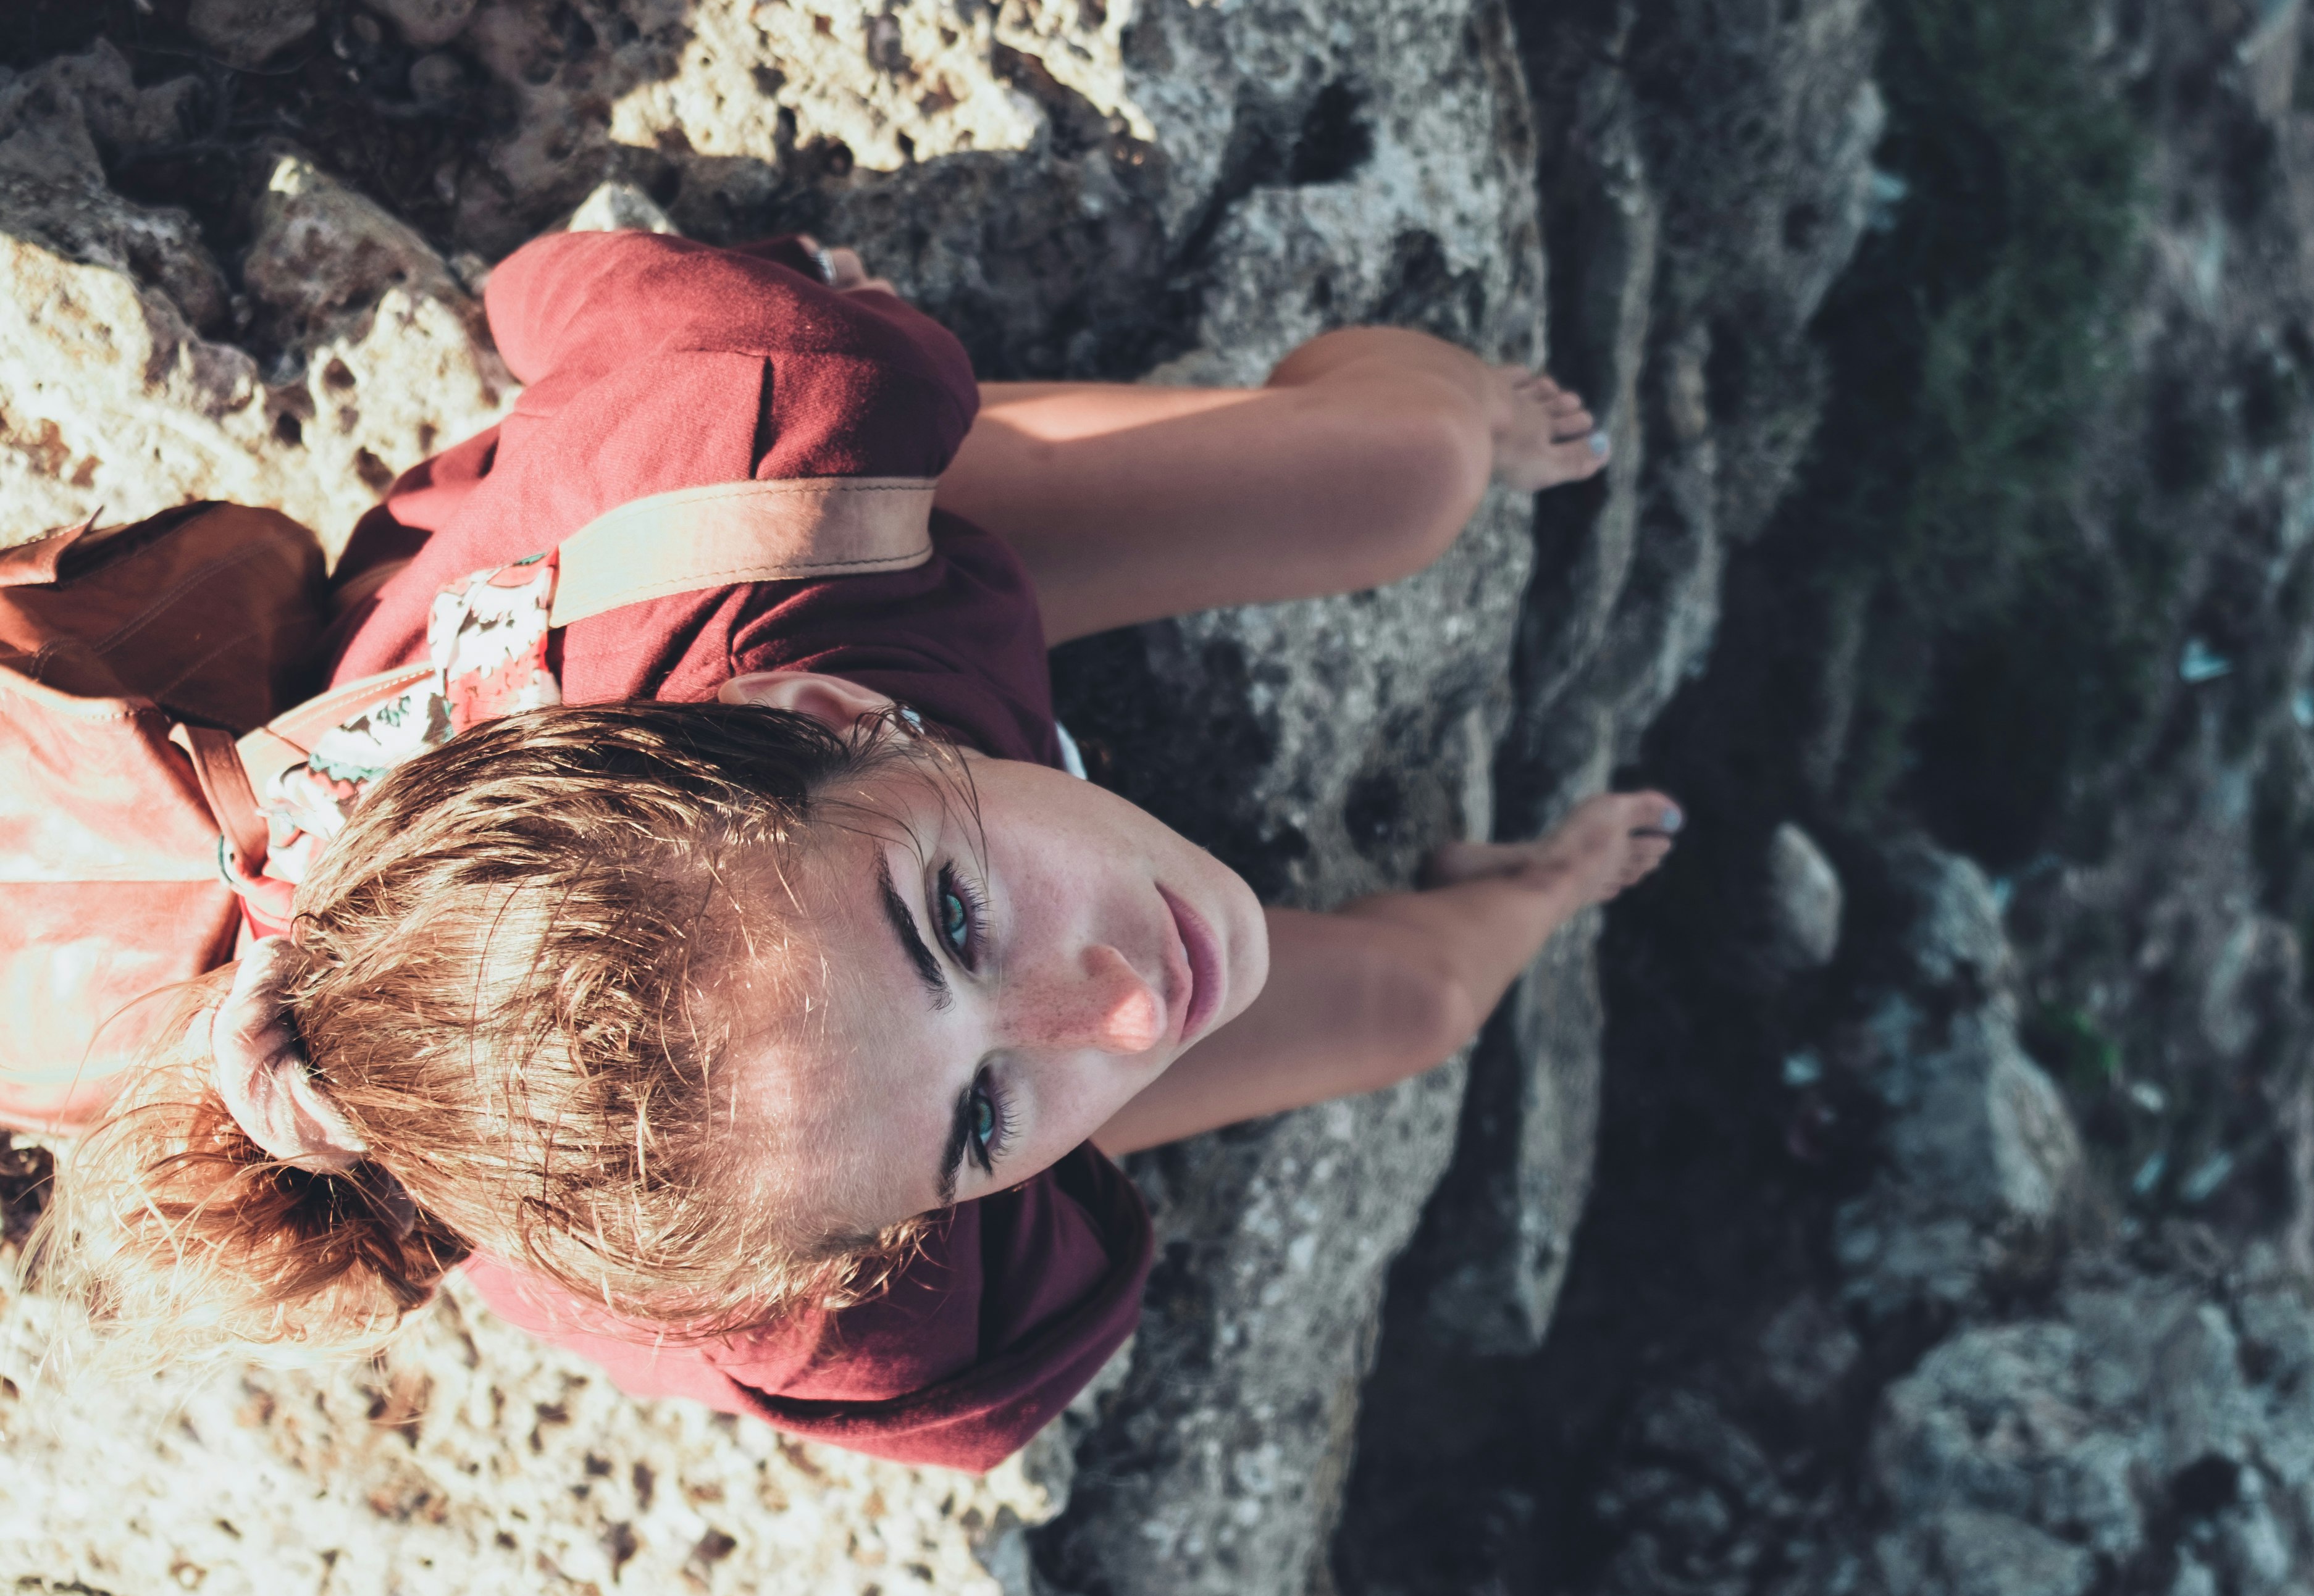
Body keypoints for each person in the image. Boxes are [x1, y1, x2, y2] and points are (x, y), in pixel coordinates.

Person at [48, 226, 1674, 1470]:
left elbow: (550, 287)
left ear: (826, 713)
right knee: (1412, 1012)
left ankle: (1461, 405)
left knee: (1404, 472)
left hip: (796, 615)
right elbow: (920, 1325)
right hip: (825, 938)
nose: (1120, 1008)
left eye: (956, 924)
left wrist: (764, 301)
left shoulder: (757, 448)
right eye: (984, 1117)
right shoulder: (856, 1300)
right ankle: (1530, 889)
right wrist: (950, 1007)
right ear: (885, 1231)